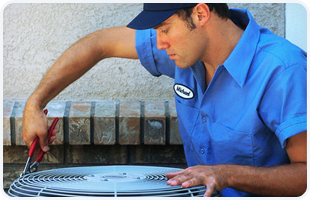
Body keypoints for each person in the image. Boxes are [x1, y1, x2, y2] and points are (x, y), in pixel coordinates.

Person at [21, 3, 307, 197]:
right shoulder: (184, 51)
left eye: (165, 29)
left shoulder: (284, 70)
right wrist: (35, 103)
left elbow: (305, 177)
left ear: (201, 14)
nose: (158, 43)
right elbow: (98, 44)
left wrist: (226, 175)